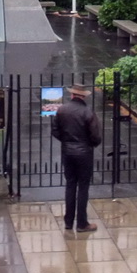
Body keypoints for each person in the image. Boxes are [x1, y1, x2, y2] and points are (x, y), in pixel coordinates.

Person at [50, 83, 102, 232]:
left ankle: (68, 222)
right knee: (83, 187)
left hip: (67, 152)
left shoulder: (62, 110)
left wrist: (66, 141)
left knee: (70, 185)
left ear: (72, 95)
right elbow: (96, 136)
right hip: (84, 153)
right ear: (84, 96)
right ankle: (82, 223)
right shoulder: (88, 112)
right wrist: (88, 144)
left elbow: (55, 130)